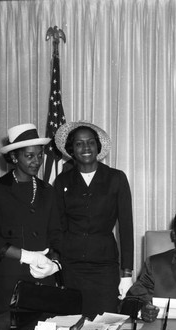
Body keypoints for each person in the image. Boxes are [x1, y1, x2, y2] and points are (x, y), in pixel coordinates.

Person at [54, 121, 134, 317]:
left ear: (98, 147)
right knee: (74, 324)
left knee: (104, 325)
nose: (86, 147)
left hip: (104, 266)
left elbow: (126, 227)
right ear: (71, 149)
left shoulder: (116, 178)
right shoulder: (63, 181)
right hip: (72, 266)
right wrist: (56, 260)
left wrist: (127, 273)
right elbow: (57, 225)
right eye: (79, 143)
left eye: (90, 142)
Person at [0, 123, 61, 313]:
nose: (37, 161)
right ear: (14, 157)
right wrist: (27, 256)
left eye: (39, 155)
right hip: (9, 281)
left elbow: (56, 233)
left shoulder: (48, 191)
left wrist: (54, 264)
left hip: (42, 278)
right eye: (29, 156)